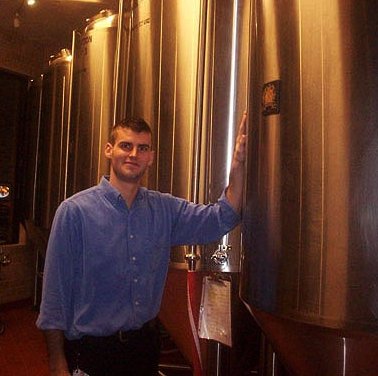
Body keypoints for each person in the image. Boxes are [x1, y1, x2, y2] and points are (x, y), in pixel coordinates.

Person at [36, 112, 247, 376]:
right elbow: (54, 297)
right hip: (92, 353)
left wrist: (238, 164)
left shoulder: (164, 209)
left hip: (143, 350)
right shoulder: (74, 212)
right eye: (126, 145)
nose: (134, 154)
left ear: (151, 157)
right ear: (109, 150)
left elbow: (221, 218)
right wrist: (57, 364)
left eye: (142, 148)